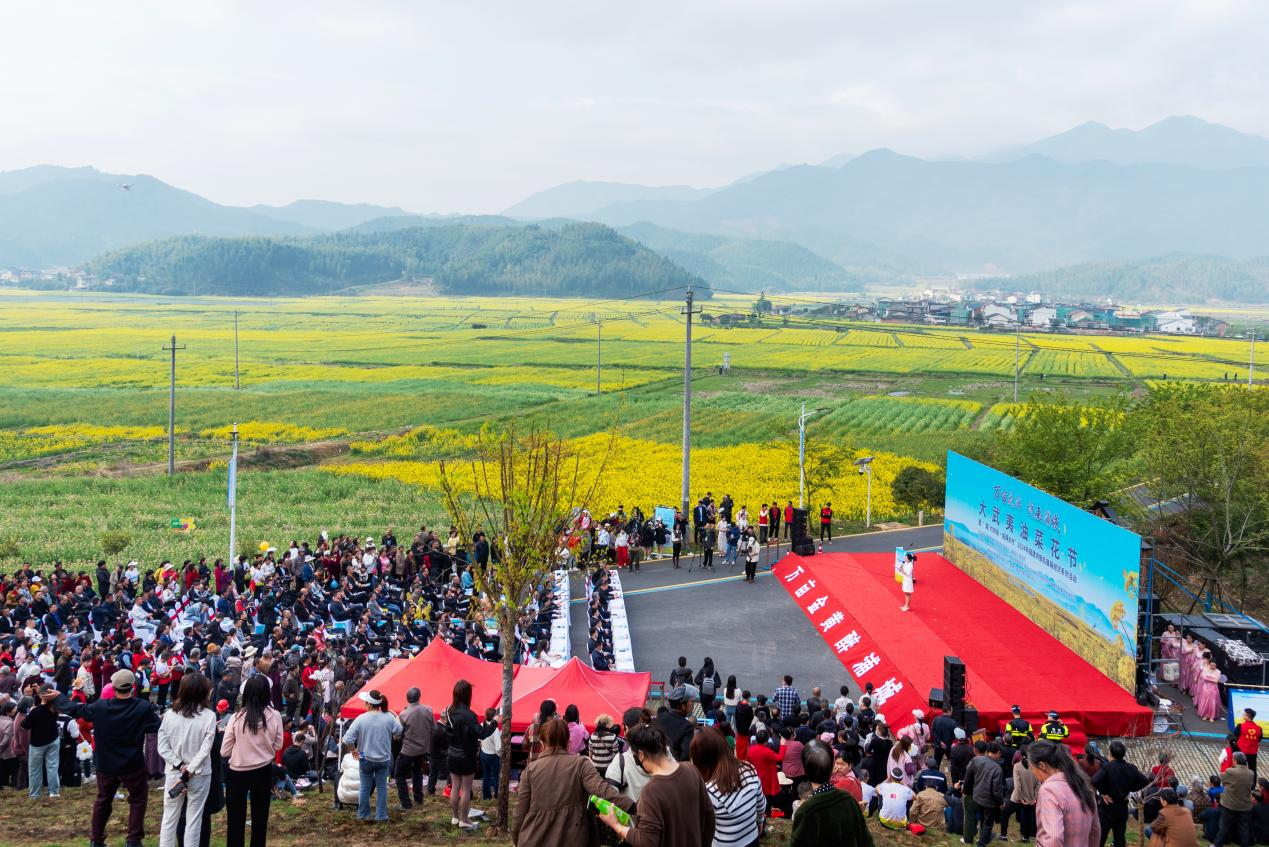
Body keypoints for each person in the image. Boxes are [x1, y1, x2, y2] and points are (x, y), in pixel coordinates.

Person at [58, 668, 162, 847]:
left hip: (106, 764)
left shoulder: (100, 707)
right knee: (137, 800)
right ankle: (133, 840)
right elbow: (157, 726)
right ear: (133, 687)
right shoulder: (142, 708)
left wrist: (57, 696)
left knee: (103, 800)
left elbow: (75, 709)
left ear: (113, 688)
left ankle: (96, 840)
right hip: (132, 764)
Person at [511, 716, 633, 847]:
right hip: (575, 836)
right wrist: (633, 807)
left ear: (542, 742)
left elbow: (520, 813)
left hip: (534, 837)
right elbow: (602, 790)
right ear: (567, 740)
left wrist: (517, 838)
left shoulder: (530, 770)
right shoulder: (581, 764)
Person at [597, 721, 716, 847]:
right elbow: (709, 819)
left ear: (641, 755)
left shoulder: (650, 792)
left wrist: (617, 826)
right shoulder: (691, 770)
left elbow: (646, 841)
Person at [222, 675, 284, 847]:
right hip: (263, 770)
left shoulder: (235, 718)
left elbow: (224, 750)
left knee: (235, 821)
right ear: (267, 694)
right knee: (260, 820)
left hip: (237, 771)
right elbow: (278, 744)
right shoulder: (275, 715)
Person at [156, 673, 216, 847]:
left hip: (175, 773)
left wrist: (180, 766)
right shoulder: (209, 716)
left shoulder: (169, 715)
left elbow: (163, 747)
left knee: (169, 818)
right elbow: (206, 748)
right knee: (194, 820)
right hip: (199, 774)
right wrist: (188, 767)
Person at [690, 726, 765, 847]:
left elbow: (700, 826)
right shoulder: (749, 769)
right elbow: (761, 804)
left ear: (701, 760)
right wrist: (760, 820)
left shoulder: (708, 791)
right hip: (752, 838)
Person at [341, 688, 402, 822]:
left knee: (364, 787)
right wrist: (395, 716)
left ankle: (363, 814)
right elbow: (399, 732)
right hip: (384, 758)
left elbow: (347, 739)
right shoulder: (389, 718)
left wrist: (354, 750)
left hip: (364, 756)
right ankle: (381, 816)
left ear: (369, 704)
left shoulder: (361, 718)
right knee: (382, 788)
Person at [446, 678, 497, 831]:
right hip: (467, 756)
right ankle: (465, 819)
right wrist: (494, 722)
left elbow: (448, 733)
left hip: (453, 754)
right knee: (466, 789)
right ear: (468, 695)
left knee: (455, 787)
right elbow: (482, 733)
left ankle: (455, 817)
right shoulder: (469, 715)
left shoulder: (450, 711)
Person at [1029, 739, 1101, 847]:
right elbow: (1095, 831)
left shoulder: (1049, 790)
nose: (1032, 772)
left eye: (1031, 767)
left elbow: (1053, 838)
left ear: (1041, 765)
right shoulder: (1082, 785)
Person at [1092, 739, 1150, 847]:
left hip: (1107, 807)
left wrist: (1104, 793)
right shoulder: (1131, 768)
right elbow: (1144, 781)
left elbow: (1095, 780)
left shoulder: (1107, 767)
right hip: (1122, 806)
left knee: (1101, 836)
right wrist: (1131, 789)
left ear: (1110, 754)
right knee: (1119, 837)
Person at [396, 686, 435, 810]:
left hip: (408, 750)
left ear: (407, 699)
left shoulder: (403, 714)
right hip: (423, 749)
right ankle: (418, 799)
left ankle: (406, 804)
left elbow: (397, 735)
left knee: (399, 775)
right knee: (417, 772)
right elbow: (433, 728)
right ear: (419, 696)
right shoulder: (428, 710)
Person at [21, 685, 60, 799]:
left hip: (38, 743)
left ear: (40, 695)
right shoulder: (54, 707)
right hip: (53, 738)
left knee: (35, 769)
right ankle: (54, 792)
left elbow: (25, 725)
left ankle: (34, 794)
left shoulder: (36, 711)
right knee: (52, 766)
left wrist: (29, 713)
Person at [967, 741, 1006, 846]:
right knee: (988, 824)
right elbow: (997, 790)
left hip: (977, 795)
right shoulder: (997, 768)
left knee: (983, 820)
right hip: (989, 801)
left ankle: (982, 838)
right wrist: (1001, 802)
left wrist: (967, 789)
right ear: (997, 752)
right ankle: (981, 843)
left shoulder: (976, 760)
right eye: (1000, 754)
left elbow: (969, 775)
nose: (1000, 756)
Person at [1216, 751, 1255, 847]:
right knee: (1244, 828)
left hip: (1229, 804)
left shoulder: (1231, 771)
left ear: (1236, 761)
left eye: (1233, 759)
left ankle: (1218, 844)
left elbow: (1222, 778)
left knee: (1224, 826)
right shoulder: (1251, 773)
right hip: (1245, 805)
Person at [878, 766, 916, 830]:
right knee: (909, 798)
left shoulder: (885, 786)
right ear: (901, 779)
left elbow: (876, 788)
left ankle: (886, 815)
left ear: (891, 776)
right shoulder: (906, 789)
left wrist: (886, 780)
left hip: (884, 822)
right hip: (901, 825)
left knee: (880, 794)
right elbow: (915, 797)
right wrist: (904, 785)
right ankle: (902, 818)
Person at [1236, 709, 1263, 777]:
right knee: (1252, 769)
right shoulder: (1259, 728)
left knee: (1239, 769)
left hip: (1241, 751)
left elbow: (1235, 737)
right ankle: (1252, 785)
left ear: (1247, 716)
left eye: (1244, 714)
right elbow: (1259, 739)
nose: (1242, 715)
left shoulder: (1240, 726)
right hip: (1252, 752)